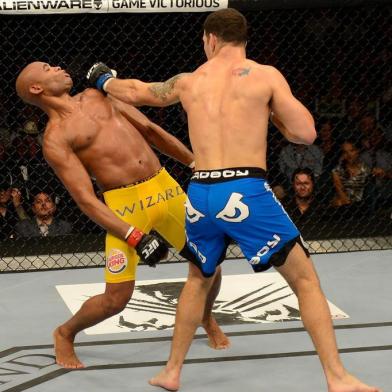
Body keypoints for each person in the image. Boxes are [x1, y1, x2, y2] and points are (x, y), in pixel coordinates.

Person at [87, 9, 380, 392]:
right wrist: (270, 113)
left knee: (197, 278)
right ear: (243, 40)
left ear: (210, 39)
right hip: (244, 189)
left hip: (200, 192)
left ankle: (171, 371)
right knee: (306, 281)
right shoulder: (265, 75)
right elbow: (306, 133)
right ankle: (338, 377)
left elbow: (138, 92)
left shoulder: (189, 81)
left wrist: (103, 79)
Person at [15, 62, 228, 370]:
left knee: (210, 263)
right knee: (116, 298)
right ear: (37, 88)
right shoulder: (56, 138)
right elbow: (86, 199)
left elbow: (151, 130)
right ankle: (65, 333)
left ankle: (205, 316)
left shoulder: (99, 95)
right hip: (124, 206)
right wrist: (134, 235)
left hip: (164, 188)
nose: (58, 67)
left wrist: (196, 163)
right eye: (47, 68)